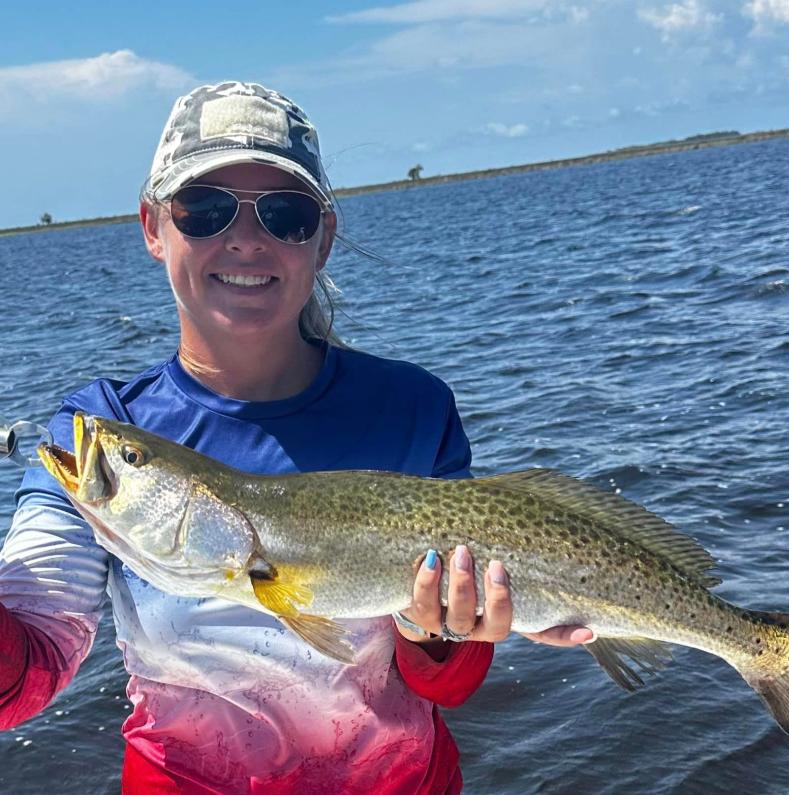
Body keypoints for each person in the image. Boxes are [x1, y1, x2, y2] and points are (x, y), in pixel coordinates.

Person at [0, 81, 591, 794]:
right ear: (153, 227)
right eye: (205, 208)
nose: (246, 238)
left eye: (285, 213)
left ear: (324, 238)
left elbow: (445, 684)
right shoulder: (96, 428)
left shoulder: (411, 407)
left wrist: (440, 630)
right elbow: (23, 681)